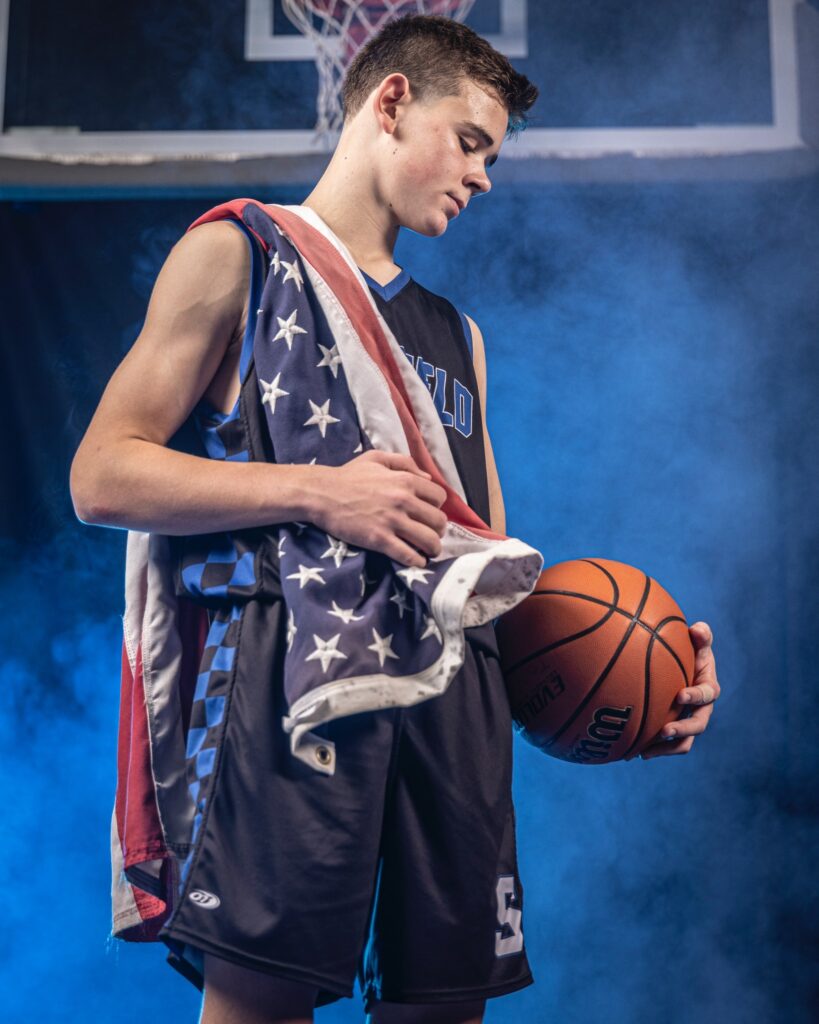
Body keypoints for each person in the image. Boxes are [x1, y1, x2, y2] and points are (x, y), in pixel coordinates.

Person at [70, 14, 720, 1024]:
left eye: (492, 158)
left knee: (442, 1009)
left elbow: (490, 575)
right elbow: (101, 475)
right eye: (472, 142)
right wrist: (317, 490)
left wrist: (648, 676)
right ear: (391, 101)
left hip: (453, 701)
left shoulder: (459, 335)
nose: (483, 177)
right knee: (262, 1007)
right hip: (297, 678)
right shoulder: (241, 252)